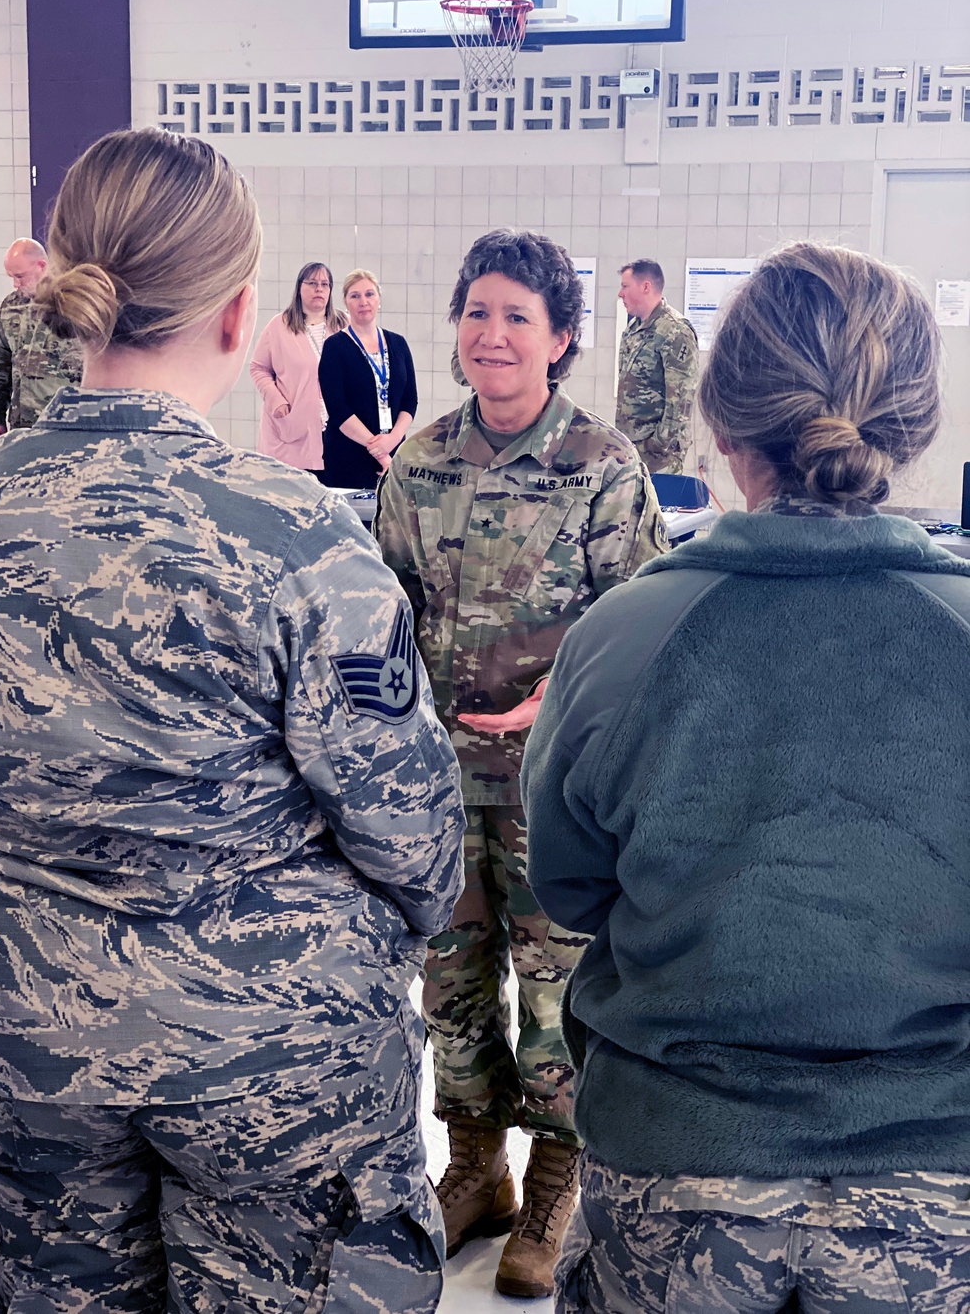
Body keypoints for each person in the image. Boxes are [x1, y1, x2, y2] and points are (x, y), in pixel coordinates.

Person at [0, 126, 466, 1314]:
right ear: (244, 315)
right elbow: (414, 837)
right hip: (275, 1044)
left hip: (30, 1030)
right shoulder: (290, 534)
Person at [523, 241, 970, 1314]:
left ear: (720, 427)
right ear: (914, 426)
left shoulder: (623, 634)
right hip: (931, 1180)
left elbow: (569, 884)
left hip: (676, 1172)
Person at [375, 228, 667, 1300]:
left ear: (558, 339)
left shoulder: (602, 465)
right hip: (439, 780)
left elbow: (640, 626)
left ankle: (554, 1182)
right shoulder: (419, 460)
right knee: (449, 982)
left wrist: (568, 696)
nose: (490, 334)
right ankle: (476, 1170)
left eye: (515, 317)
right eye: (476, 311)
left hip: (557, 785)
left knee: (554, 991)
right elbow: (386, 617)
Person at [318, 269, 416, 489]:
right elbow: (339, 410)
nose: (363, 301)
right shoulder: (335, 347)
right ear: (345, 302)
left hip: (394, 452)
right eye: (355, 296)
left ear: (379, 299)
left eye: (369, 294)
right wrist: (380, 453)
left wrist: (393, 440)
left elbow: (410, 401)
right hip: (349, 456)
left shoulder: (398, 344)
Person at [250, 261, 346, 476]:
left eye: (324, 284)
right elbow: (258, 368)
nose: (319, 288)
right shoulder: (279, 326)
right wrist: (277, 400)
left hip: (337, 429)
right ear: (299, 287)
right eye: (312, 283)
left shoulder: (344, 325)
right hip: (292, 428)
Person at [0, 237, 83, 438]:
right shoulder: (10, 307)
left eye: (20, 276)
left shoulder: (74, 305)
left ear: (41, 266)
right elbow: (1, 367)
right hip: (22, 429)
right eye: (11, 277)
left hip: (66, 427)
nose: (15, 283)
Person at [615, 258, 698, 474]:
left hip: (659, 457)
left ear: (646, 287)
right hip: (632, 450)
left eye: (625, 286)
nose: (620, 293)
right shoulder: (633, 329)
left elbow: (681, 400)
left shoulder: (674, 331)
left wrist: (658, 445)